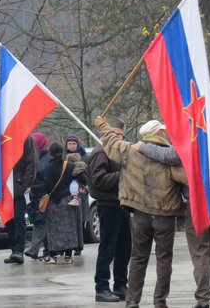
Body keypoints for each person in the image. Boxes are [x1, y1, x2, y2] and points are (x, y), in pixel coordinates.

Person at [135, 120, 210, 308]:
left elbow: (167, 156)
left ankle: (202, 299)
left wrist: (143, 146)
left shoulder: (193, 141)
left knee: (200, 252)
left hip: (197, 202)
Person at [95, 117, 187, 308]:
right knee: (164, 259)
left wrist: (102, 125)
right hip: (164, 214)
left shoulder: (129, 151)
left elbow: (111, 143)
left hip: (140, 214)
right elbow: (186, 178)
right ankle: (160, 301)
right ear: (159, 133)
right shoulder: (169, 155)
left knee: (138, 258)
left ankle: (132, 301)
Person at [88, 117, 131, 303]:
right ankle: (102, 287)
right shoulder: (101, 152)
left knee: (125, 248)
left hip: (122, 204)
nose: (120, 138)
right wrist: (122, 175)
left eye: (122, 135)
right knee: (108, 248)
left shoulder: (119, 152)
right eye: (117, 135)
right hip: (107, 205)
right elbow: (98, 180)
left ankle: (120, 285)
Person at [28, 142, 86, 264]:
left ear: (51, 154)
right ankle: (68, 257)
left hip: (54, 203)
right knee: (69, 229)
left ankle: (53, 256)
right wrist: (80, 170)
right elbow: (83, 181)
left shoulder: (49, 168)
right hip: (69, 202)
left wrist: (33, 189)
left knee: (54, 230)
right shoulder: (70, 166)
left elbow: (46, 186)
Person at [4, 135, 38, 265]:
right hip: (5, 188)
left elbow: (31, 162)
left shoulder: (26, 139)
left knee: (18, 218)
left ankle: (18, 250)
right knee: (8, 220)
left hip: (19, 187)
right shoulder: (3, 137)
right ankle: (14, 250)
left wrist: (25, 184)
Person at [24, 131, 50, 260]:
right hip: (33, 196)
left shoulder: (47, 158)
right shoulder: (32, 156)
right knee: (41, 223)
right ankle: (48, 250)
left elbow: (46, 179)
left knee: (40, 222)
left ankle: (34, 250)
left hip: (43, 195)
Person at [64, 133, 89, 256]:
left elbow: (89, 174)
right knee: (68, 221)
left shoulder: (85, 157)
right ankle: (69, 244)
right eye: (70, 143)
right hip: (66, 193)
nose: (72, 146)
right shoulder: (63, 157)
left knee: (80, 220)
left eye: (74, 143)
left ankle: (79, 246)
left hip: (81, 192)